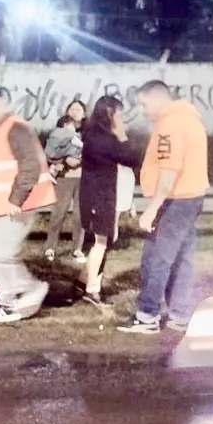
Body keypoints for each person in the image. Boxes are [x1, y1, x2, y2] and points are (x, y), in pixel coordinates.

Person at [118, 81, 210, 334]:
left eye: (143, 104)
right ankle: (180, 314)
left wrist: (152, 207)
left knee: (157, 257)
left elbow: (169, 170)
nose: (142, 110)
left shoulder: (170, 124)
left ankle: (147, 316)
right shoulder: (189, 118)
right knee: (182, 258)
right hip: (190, 197)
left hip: (174, 199)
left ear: (158, 99)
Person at [0, 88, 56, 324]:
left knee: (1, 253)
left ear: (1, 106)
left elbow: (30, 165)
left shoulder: (16, 129)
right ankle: (7, 302)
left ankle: (31, 289)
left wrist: (16, 199)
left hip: (15, 206)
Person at [76, 95, 141, 309]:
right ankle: (92, 290)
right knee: (101, 243)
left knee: (101, 241)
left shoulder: (93, 135)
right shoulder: (103, 139)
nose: (122, 118)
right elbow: (131, 158)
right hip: (99, 197)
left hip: (96, 196)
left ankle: (83, 280)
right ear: (110, 114)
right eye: (119, 114)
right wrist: (122, 134)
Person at [42, 100, 87, 262]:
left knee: (80, 216)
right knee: (58, 213)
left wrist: (79, 160)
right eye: (72, 109)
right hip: (64, 178)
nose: (75, 112)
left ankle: (77, 249)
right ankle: (50, 248)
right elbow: (52, 152)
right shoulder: (60, 131)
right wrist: (64, 160)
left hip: (83, 179)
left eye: (78, 109)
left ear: (84, 113)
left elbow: (92, 152)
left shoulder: (88, 132)